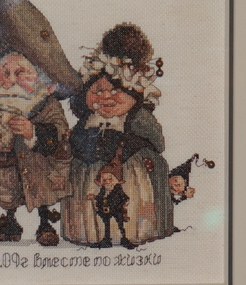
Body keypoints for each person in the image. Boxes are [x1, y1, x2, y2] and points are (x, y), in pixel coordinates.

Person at [0, 0, 82, 246]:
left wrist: (33, 132)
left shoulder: (44, 104)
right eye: (3, 72)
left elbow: (59, 131)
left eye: (20, 73)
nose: (10, 80)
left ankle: (45, 223)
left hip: (38, 167)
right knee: (5, 194)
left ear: (41, 80)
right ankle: (9, 225)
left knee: (39, 189)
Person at [61, 23, 175, 246]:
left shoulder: (138, 120)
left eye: (116, 90)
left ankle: (136, 231)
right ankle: (89, 233)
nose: (105, 97)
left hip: (130, 172)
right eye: (97, 91)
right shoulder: (88, 122)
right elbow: (74, 142)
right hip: (89, 174)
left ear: (135, 96)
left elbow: (157, 142)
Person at [86, 148, 136, 249]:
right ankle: (106, 240)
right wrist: (94, 197)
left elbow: (124, 197)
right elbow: (100, 197)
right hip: (105, 212)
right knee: (106, 226)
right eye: (104, 180)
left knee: (120, 225)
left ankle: (124, 239)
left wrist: (125, 203)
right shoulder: (103, 190)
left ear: (117, 180)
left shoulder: (118, 189)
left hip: (117, 211)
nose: (107, 182)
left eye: (110, 179)